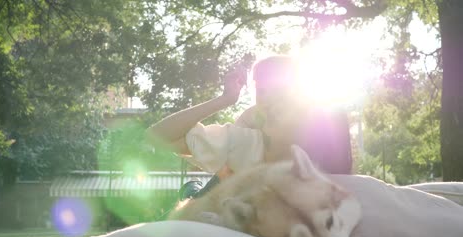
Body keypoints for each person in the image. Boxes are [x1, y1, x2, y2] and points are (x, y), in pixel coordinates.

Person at [147, 55, 352, 199]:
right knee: (199, 194)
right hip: (209, 200)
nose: (268, 99)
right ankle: (191, 190)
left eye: (279, 90)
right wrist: (225, 100)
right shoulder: (252, 142)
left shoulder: (327, 133)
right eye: (261, 91)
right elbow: (158, 136)